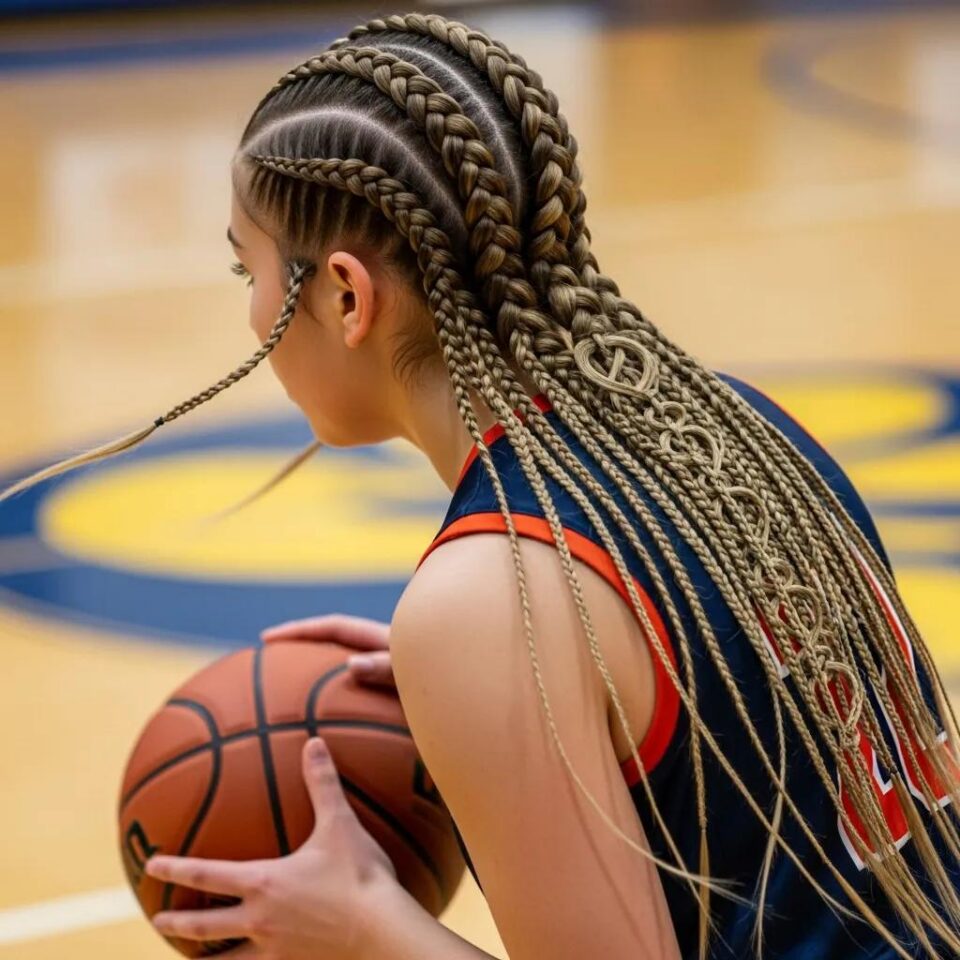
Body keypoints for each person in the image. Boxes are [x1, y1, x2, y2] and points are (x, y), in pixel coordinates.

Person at [5, 13, 960, 960]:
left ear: (345, 295)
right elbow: (734, 694)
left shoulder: (491, 603)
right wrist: (533, 695)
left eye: (244, 268)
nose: (252, 314)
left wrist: (364, 929)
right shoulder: (727, 418)